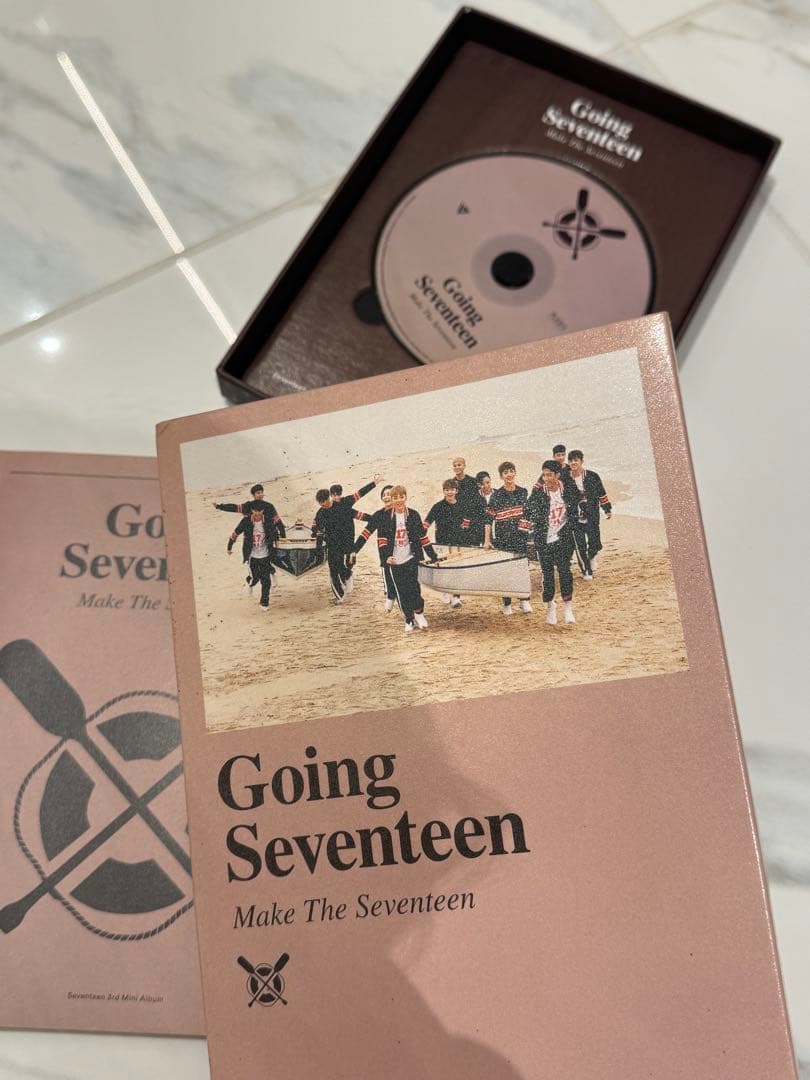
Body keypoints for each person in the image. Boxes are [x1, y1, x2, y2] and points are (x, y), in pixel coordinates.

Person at [355, 485, 438, 632]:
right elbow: (382, 540)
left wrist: (433, 556)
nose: (399, 500)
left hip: (412, 558)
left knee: (414, 589)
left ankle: (419, 614)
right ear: (391, 500)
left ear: (405, 497)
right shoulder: (385, 517)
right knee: (401, 592)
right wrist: (387, 557)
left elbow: (423, 538)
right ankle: (409, 619)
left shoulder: (413, 515)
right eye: (395, 498)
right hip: (394, 562)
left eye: (401, 497)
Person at [524, 460, 580, 625]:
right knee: (547, 575)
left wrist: (574, 526)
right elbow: (527, 510)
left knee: (565, 572)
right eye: (544, 475)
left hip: (563, 538)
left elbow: (577, 505)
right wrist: (535, 520)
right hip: (544, 539)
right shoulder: (539, 492)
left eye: (549, 475)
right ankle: (551, 606)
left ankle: (568, 608)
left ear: (557, 475)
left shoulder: (567, 489)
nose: (546, 478)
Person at [312, 475, 381, 602]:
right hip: (332, 544)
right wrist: (317, 544)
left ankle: (348, 575)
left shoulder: (344, 503)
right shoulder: (320, 513)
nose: (323, 506)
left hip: (346, 541)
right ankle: (339, 596)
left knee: (344, 565)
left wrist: (374, 483)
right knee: (333, 570)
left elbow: (360, 495)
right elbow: (316, 529)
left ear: (328, 498)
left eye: (325, 503)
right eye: (321, 504)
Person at [483, 462, 532, 616]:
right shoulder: (496, 496)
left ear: (515, 472)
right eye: (505, 472)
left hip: (520, 537)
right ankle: (507, 604)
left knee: (522, 569)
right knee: (505, 572)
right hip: (503, 539)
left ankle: (524, 601)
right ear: (501, 476)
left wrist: (527, 530)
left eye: (511, 471)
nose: (509, 474)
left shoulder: (523, 492)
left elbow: (528, 514)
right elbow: (488, 520)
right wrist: (487, 540)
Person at [425, 479, 472, 608]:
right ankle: (444, 591)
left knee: (458, 569)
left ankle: (456, 597)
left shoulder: (462, 505)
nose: (449, 492)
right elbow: (427, 522)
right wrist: (420, 536)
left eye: (452, 489)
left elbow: (466, 524)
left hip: (458, 543)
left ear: (456, 491)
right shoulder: (438, 506)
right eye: (446, 490)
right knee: (444, 568)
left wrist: (465, 539)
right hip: (442, 543)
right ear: (443, 491)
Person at [567, 450, 612, 576]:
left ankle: (591, 556)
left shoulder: (592, 476)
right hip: (575, 516)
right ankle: (586, 570)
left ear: (582, 461)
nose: (573, 463)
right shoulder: (566, 478)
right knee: (580, 544)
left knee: (595, 542)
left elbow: (601, 493)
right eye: (571, 461)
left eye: (576, 460)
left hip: (591, 514)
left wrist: (607, 509)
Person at [354, 485, 398, 611]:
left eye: (389, 494)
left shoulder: (401, 512)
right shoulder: (378, 515)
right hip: (385, 549)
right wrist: (355, 550)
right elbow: (366, 533)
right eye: (384, 495)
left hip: (400, 547)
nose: (386, 497)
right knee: (387, 572)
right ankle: (390, 596)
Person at [226, 509, 277, 612]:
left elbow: (276, 533)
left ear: (263, 511)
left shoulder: (268, 520)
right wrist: (229, 547)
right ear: (252, 511)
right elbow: (235, 533)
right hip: (252, 556)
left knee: (266, 580)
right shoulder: (246, 521)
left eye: (260, 511)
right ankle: (249, 582)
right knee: (255, 578)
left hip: (265, 555)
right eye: (255, 511)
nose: (257, 514)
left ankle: (264, 602)